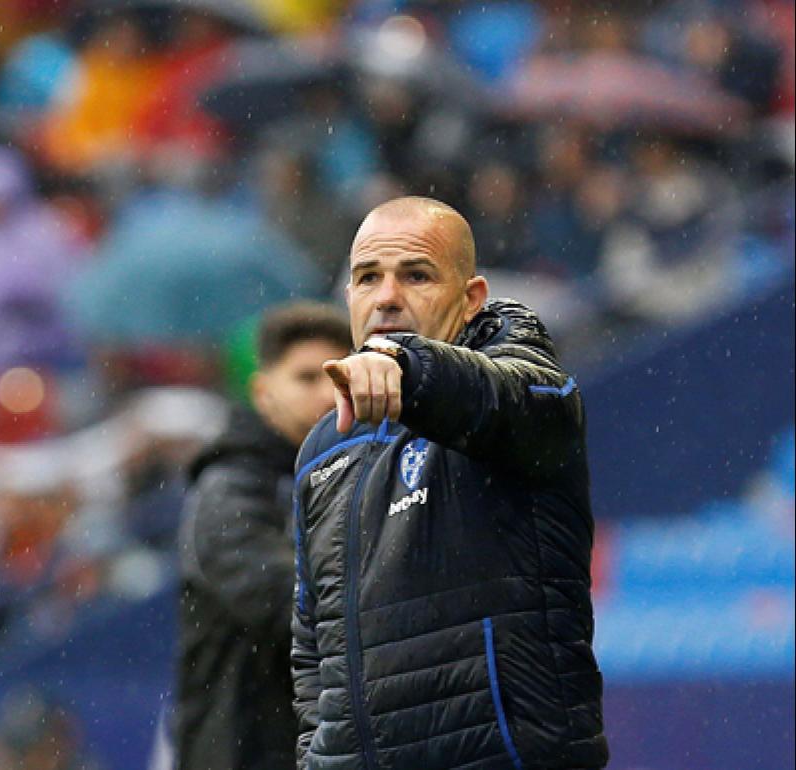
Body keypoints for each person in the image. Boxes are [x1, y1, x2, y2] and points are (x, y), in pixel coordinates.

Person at [291, 197, 608, 770]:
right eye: (368, 278)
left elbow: (507, 398)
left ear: (471, 300)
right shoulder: (322, 449)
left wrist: (407, 365)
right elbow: (314, 645)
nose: (387, 296)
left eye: (416, 275)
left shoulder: (523, 389)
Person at [176, 301, 352, 770]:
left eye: (338, 379)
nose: (325, 395)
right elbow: (279, 598)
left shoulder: (353, 474)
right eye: (306, 377)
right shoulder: (228, 488)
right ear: (261, 389)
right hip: (244, 748)